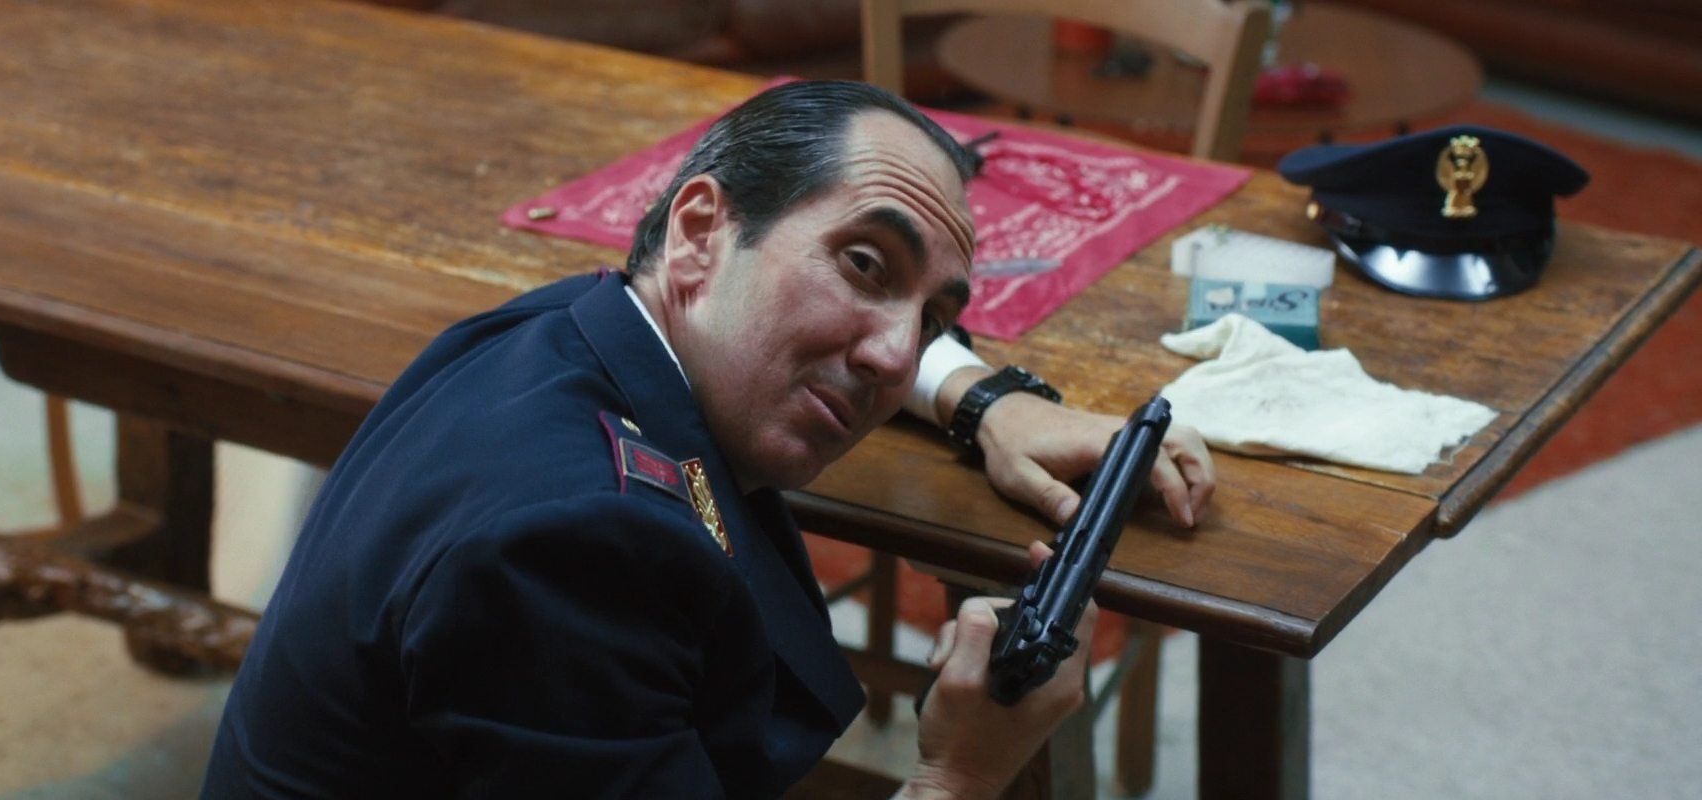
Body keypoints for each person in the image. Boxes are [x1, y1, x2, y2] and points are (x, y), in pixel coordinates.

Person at [202, 79, 1213, 799]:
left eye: (934, 318)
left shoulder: (570, 327)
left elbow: (843, 329)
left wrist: (983, 399)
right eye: (865, 264)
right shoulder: (574, 553)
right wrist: (958, 772)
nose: (894, 356)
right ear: (698, 232)